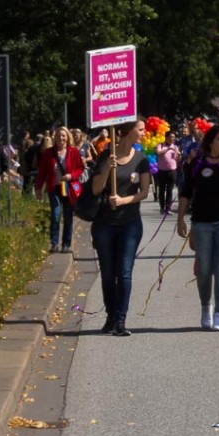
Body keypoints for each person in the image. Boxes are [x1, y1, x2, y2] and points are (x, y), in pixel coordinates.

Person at [176, 125, 219, 331]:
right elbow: (186, 192)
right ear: (210, 143)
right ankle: (206, 305)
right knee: (204, 269)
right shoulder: (196, 164)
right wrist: (181, 218)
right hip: (202, 222)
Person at [90, 119, 151, 336]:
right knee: (108, 274)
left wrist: (123, 201)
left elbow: (144, 192)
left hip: (130, 223)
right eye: (140, 129)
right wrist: (107, 168)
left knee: (124, 273)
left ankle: (121, 321)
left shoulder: (141, 159)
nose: (144, 133)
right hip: (105, 224)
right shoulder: (106, 156)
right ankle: (110, 316)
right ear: (128, 132)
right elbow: (96, 189)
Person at [34, 127, 85, 253]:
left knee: (68, 216)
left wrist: (71, 175)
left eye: (63, 136)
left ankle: (66, 244)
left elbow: (80, 168)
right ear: (54, 138)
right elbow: (42, 172)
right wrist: (38, 188)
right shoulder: (48, 153)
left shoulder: (73, 152)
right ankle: (54, 243)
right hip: (54, 188)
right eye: (58, 136)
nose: (61, 138)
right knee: (55, 214)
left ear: (67, 137)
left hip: (68, 188)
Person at [155, 131, 181, 215]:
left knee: (169, 190)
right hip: (162, 171)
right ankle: (162, 208)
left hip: (172, 171)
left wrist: (179, 155)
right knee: (161, 190)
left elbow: (177, 159)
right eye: (171, 137)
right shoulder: (160, 145)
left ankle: (168, 209)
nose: (173, 139)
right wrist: (168, 149)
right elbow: (158, 153)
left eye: (174, 137)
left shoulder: (175, 147)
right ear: (166, 137)